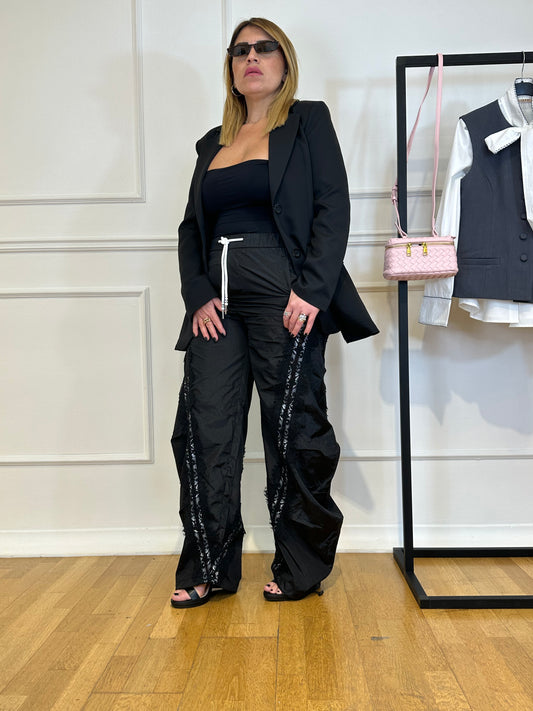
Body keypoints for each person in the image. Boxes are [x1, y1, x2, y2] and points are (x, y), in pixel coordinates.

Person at [170, 17, 378, 608]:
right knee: (206, 429)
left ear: (284, 62)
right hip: (217, 300)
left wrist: (311, 289)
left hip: (283, 290)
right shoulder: (211, 142)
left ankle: (299, 565)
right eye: (241, 51)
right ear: (231, 68)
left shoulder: (307, 122)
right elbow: (190, 228)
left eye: (264, 48)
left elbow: (332, 205)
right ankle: (210, 566)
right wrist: (196, 293)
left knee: (292, 426)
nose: (252, 58)